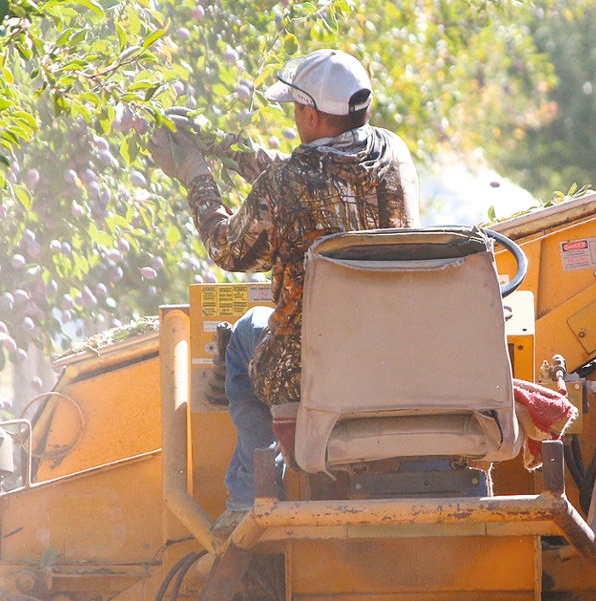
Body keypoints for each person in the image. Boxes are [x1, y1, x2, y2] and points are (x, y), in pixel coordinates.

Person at [148, 49, 420, 534]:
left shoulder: (285, 185)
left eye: (296, 111)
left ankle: (250, 493)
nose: (295, 120)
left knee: (243, 344)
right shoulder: (394, 154)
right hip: (394, 358)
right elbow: (314, 184)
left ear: (311, 114)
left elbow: (228, 250)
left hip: (310, 368)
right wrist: (225, 145)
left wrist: (196, 174)